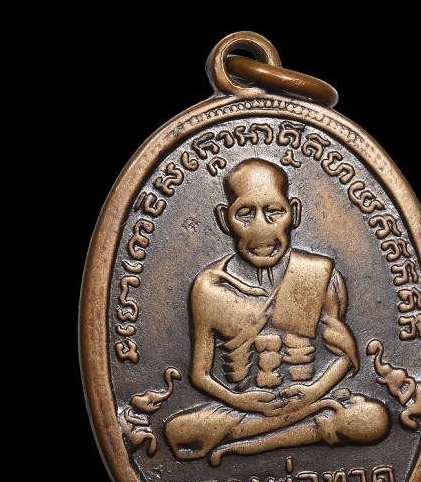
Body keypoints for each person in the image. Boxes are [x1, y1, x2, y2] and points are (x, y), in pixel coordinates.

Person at [165, 158, 389, 465]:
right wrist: (242, 401)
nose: (261, 228)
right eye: (245, 214)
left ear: (294, 212)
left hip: (309, 398)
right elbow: (200, 375)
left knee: (374, 419)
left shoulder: (317, 274)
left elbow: (344, 355)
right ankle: (299, 429)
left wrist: (313, 392)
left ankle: (250, 441)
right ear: (223, 219)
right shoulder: (210, 288)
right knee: (177, 431)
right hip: (243, 409)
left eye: (274, 212)